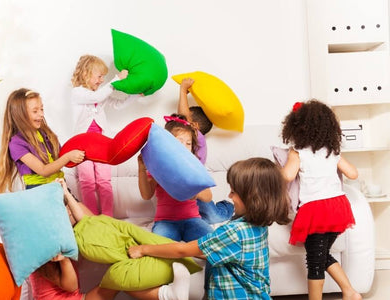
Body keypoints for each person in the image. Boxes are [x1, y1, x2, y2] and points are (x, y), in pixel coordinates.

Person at [129, 157, 290, 299]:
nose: (229, 196)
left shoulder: (234, 232)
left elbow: (182, 250)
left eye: (233, 192)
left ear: (253, 198)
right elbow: (218, 252)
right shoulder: (258, 226)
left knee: (130, 289)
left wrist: (143, 249)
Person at [29, 178, 191, 300]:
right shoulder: (46, 248)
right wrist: (63, 261)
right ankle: (167, 295)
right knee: (117, 280)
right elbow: (70, 287)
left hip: (78, 296)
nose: (71, 212)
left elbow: (90, 221)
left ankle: (168, 291)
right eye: (67, 210)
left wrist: (66, 192)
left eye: (70, 208)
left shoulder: (66, 231)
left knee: (122, 278)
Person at [280, 100, 362, 300]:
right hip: (337, 207)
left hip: (315, 209)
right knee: (321, 254)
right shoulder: (332, 151)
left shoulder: (297, 152)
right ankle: (350, 292)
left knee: (315, 260)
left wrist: (279, 169)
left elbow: (287, 176)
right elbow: (353, 174)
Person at [70, 54, 135, 217]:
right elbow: (96, 97)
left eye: (103, 78)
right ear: (86, 74)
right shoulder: (78, 93)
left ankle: (107, 217)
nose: (101, 81)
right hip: (82, 145)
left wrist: (135, 96)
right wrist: (115, 80)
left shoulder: (101, 93)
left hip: (101, 144)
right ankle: (91, 216)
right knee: (87, 182)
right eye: (99, 77)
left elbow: (117, 104)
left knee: (104, 181)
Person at [138, 113, 214, 242]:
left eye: (188, 143)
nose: (184, 147)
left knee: (213, 244)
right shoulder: (159, 166)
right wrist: (141, 169)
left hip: (193, 220)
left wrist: (193, 192)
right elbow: (146, 195)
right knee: (159, 249)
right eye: (179, 142)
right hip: (165, 222)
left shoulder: (194, 166)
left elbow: (208, 197)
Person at [0, 88, 85, 193]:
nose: (41, 114)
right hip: (39, 191)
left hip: (58, 186)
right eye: (35, 111)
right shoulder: (16, 143)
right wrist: (68, 156)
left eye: (42, 109)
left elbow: (60, 156)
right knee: (74, 209)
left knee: (82, 210)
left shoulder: (44, 133)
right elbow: (43, 170)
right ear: (20, 115)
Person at [177, 77, 234, 224]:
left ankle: (227, 206)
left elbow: (184, 119)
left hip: (196, 185)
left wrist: (183, 90)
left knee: (214, 217)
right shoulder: (177, 138)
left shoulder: (199, 138)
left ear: (194, 126)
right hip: (182, 186)